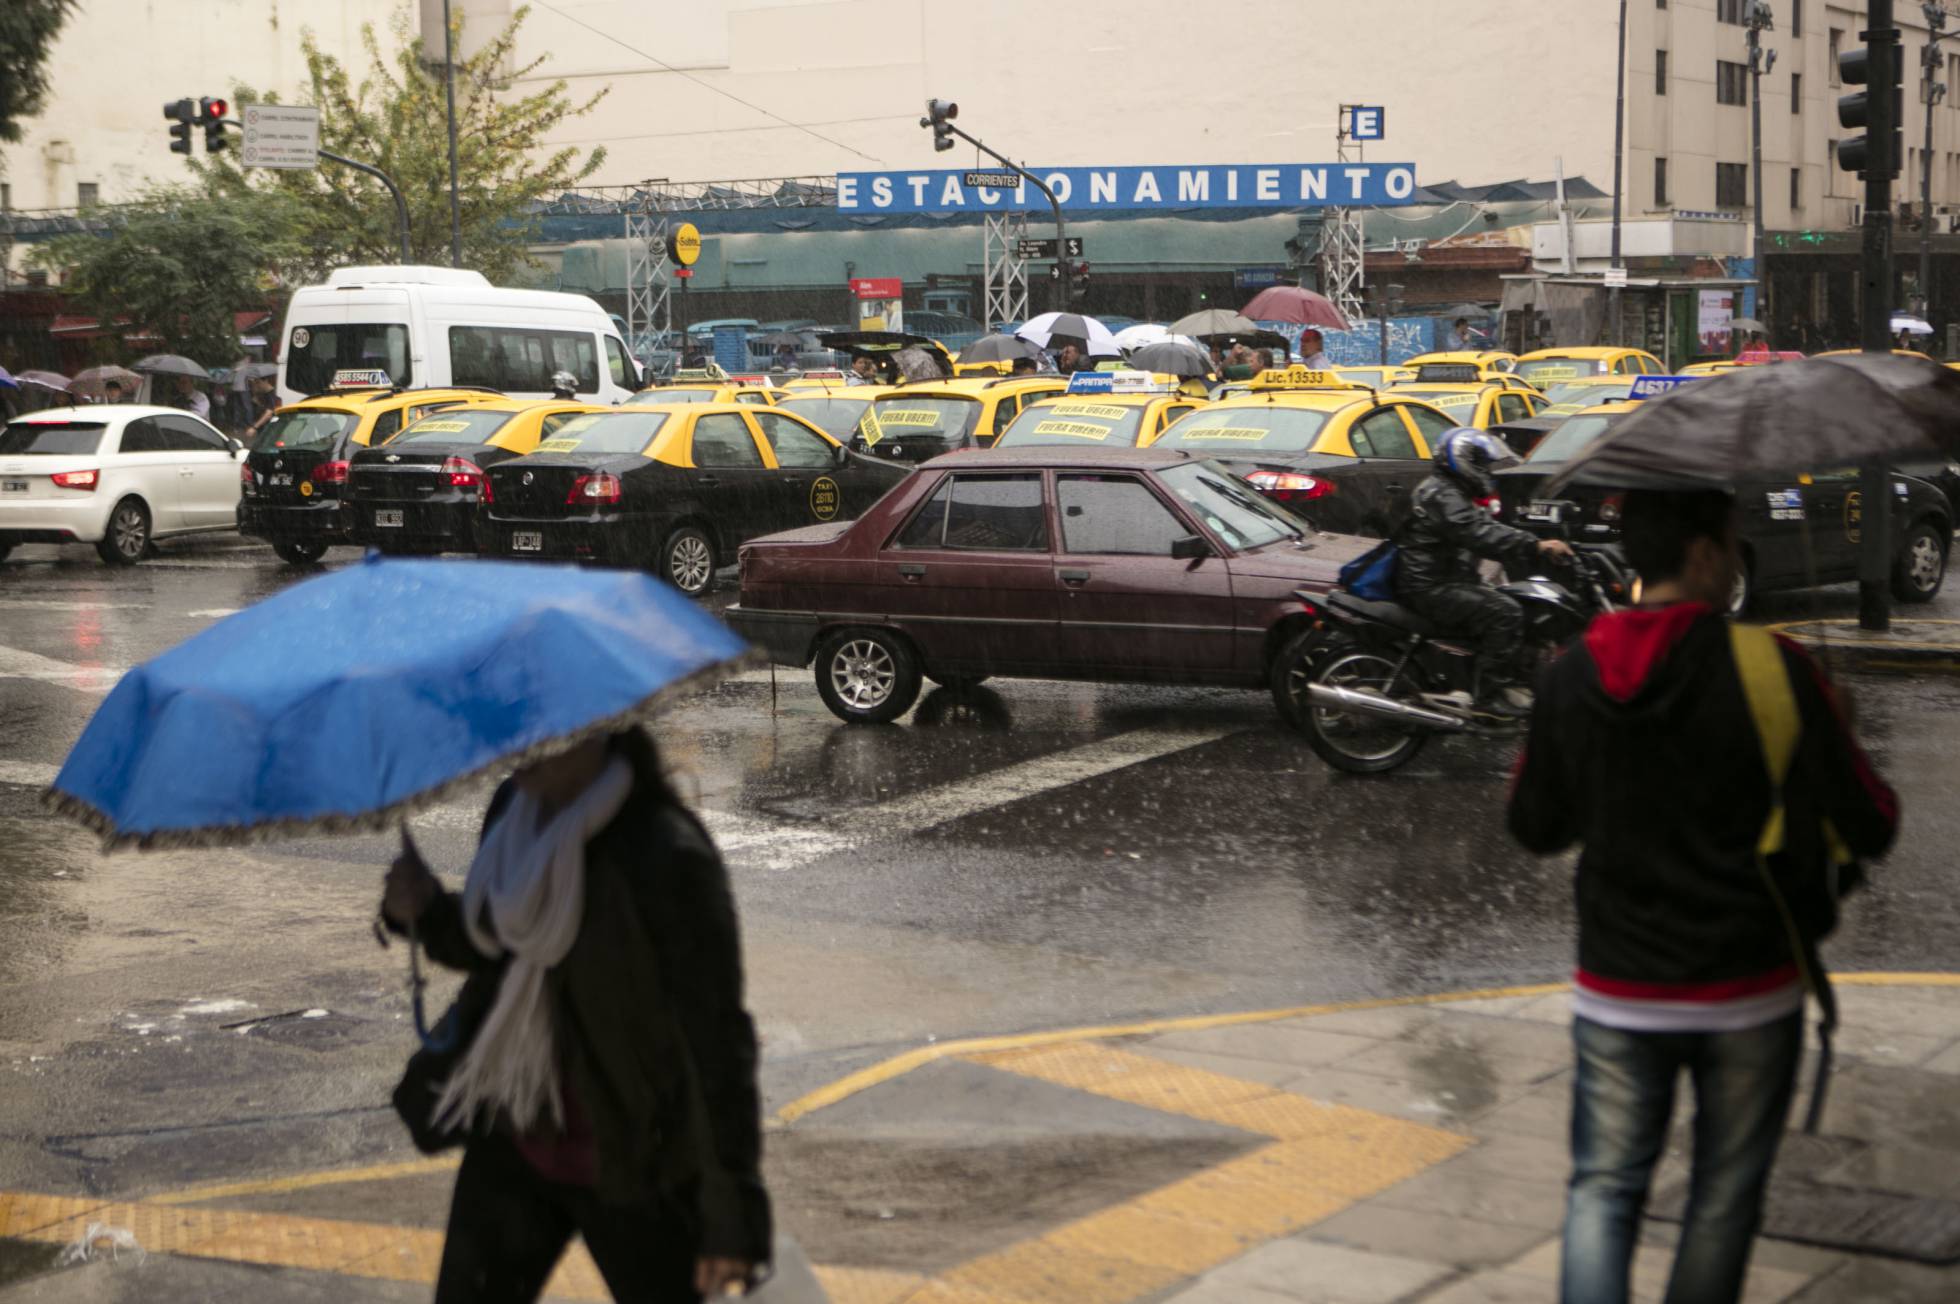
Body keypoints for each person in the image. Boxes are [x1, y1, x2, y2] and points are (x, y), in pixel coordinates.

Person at [1509, 489, 1897, 1304]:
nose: (1736, 556)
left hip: (1618, 990)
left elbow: (1537, 828)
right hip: (1748, 991)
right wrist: (1836, 726)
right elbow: (1871, 823)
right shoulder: (1776, 670)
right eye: (1731, 540)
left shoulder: (1571, 672)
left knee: (1602, 1192)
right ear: (1701, 554)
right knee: (1722, 1200)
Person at [381, 727, 770, 1303]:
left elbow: (717, 1044)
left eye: (544, 730)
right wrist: (424, 912)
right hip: (514, 1128)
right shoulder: (515, 813)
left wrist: (729, 1215)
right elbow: (497, 947)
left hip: (632, 1158)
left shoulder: (664, 853)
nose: (518, 744)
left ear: (599, 728)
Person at [1391, 427, 1572, 715]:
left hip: (1442, 578)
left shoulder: (1446, 490)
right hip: (1430, 586)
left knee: (1514, 598)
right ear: (1462, 460)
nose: (1486, 471)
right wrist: (1536, 546)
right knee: (1506, 611)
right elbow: (1478, 533)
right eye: (1482, 464)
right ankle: (1490, 695)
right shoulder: (1443, 494)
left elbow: (1485, 529)